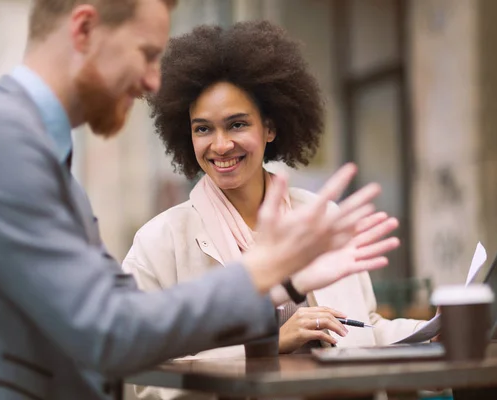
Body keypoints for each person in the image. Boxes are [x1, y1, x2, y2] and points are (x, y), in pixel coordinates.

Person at [0, 1, 395, 399]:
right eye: (147, 53)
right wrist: (264, 276)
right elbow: (111, 329)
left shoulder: (29, 147)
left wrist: (281, 284)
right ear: (83, 29)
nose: (153, 81)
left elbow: (115, 316)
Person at [122, 20, 426, 399]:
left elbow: (364, 329)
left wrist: (436, 333)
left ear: (270, 127)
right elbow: (146, 381)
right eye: (203, 129)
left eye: (236, 124)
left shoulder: (321, 217)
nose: (220, 145)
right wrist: (270, 344)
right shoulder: (159, 244)